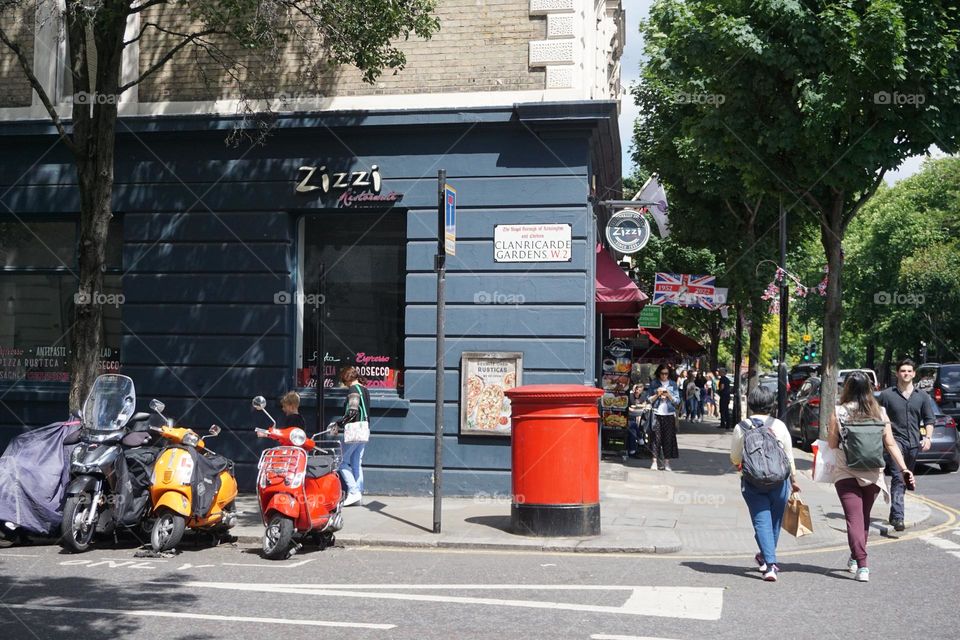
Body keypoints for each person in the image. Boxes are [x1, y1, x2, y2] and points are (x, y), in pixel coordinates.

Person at [827, 371, 915, 581]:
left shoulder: (838, 412)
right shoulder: (880, 413)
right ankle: (856, 558)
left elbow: (831, 445)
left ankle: (862, 565)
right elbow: (890, 444)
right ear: (869, 389)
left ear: (846, 389)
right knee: (863, 518)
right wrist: (904, 469)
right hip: (873, 473)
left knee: (853, 519)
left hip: (846, 471)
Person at [730, 386, 799, 582]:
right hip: (780, 481)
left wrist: (741, 466)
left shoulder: (741, 427)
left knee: (762, 521)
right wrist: (794, 480)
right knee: (774, 522)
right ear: (771, 405)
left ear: (751, 404)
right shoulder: (779, 426)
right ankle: (769, 561)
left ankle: (768, 562)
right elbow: (788, 456)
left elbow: (735, 457)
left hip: (753, 482)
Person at [877, 358, 934, 531]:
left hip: (913, 444)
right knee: (898, 477)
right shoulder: (887, 395)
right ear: (897, 373)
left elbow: (929, 419)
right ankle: (899, 518)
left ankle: (894, 512)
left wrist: (928, 438)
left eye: (909, 371)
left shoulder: (922, 396)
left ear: (914, 374)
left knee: (905, 478)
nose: (906, 373)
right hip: (894, 443)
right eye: (903, 371)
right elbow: (878, 418)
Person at [332, 366, 372, 506]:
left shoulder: (353, 390)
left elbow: (352, 412)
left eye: (345, 381)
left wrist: (338, 424)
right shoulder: (365, 389)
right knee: (356, 462)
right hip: (364, 429)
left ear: (348, 378)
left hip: (354, 429)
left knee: (341, 462)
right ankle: (359, 492)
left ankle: (354, 492)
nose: (345, 385)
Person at [644, 364, 680, 471]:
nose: (664, 376)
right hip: (656, 413)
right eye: (662, 373)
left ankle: (667, 463)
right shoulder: (654, 383)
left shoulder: (673, 384)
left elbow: (677, 401)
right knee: (656, 438)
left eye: (666, 374)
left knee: (668, 439)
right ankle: (654, 461)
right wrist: (657, 394)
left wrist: (669, 395)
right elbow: (648, 399)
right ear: (658, 373)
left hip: (669, 415)